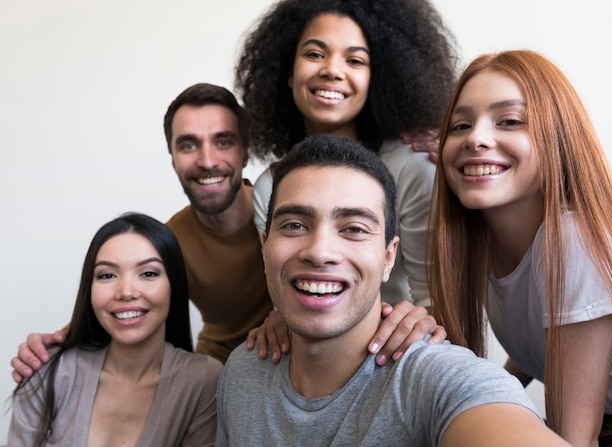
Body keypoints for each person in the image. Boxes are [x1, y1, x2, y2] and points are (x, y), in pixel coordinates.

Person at [11, 83, 443, 379]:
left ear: (245, 149)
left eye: (222, 141)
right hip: (223, 369)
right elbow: (121, 293)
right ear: (172, 156)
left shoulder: (294, 213)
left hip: (311, 355)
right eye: (187, 144)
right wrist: (56, 340)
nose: (207, 160)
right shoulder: (168, 240)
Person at [216, 134, 569, 446]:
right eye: (294, 225)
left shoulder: (439, 382)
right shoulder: (242, 372)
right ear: (265, 248)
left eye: (353, 228)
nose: (320, 251)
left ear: (388, 258)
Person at [429, 50, 612, 446]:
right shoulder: (480, 246)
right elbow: (542, 338)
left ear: (559, 138)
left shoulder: (575, 241)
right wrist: (496, 392)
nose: (476, 138)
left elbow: (574, 440)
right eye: (460, 125)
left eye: (510, 121)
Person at [235, 0, 458, 309]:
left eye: (355, 60)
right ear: (288, 72)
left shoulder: (412, 166)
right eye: (315, 54)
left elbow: (435, 300)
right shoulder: (269, 188)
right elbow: (286, 297)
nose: (332, 70)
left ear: (376, 80)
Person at [9, 213, 223, 446]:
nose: (126, 291)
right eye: (107, 275)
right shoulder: (48, 369)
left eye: (148, 273)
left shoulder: (203, 381)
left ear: (174, 284)